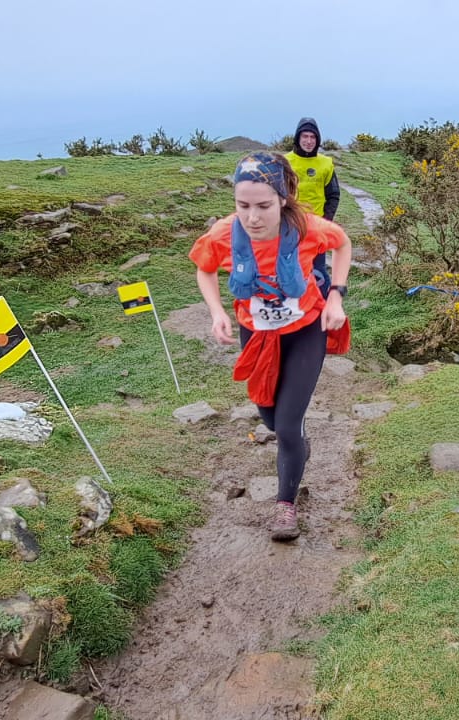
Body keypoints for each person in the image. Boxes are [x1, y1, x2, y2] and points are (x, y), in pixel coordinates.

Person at [191, 151, 352, 541]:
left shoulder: (309, 228)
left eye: (263, 205)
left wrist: (335, 297)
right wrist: (216, 313)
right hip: (258, 334)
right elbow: (204, 269)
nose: (253, 217)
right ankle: (296, 445)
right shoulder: (224, 234)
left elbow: (342, 244)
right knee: (269, 418)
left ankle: (285, 507)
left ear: (282, 198)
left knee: (286, 425)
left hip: (304, 332)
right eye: (242, 205)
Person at [284, 117, 341, 290]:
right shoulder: (285, 162)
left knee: (318, 269)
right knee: (289, 266)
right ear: (297, 138)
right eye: (305, 137)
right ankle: (293, 305)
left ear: (318, 140)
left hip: (316, 226)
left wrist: (326, 220)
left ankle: (327, 304)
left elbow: (333, 194)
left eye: (313, 137)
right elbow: (277, 194)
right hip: (290, 224)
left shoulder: (325, 163)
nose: (309, 141)